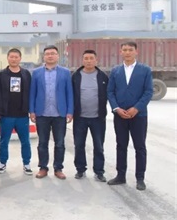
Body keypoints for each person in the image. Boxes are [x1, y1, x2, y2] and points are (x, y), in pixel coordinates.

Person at [106, 41, 153, 191]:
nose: (127, 52)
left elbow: (148, 92)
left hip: (139, 116)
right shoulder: (116, 71)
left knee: (140, 146)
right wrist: (116, 108)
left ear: (136, 52)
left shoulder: (145, 70)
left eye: (130, 50)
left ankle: (140, 178)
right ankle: (121, 176)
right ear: (120, 52)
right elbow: (110, 92)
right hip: (120, 115)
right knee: (121, 145)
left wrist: (137, 108)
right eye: (124, 50)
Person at [30, 45, 74, 180]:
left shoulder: (65, 72)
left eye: (53, 53)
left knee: (59, 143)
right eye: (47, 54)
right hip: (41, 113)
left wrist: (70, 111)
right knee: (42, 142)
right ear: (44, 56)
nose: (50, 56)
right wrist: (32, 110)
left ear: (58, 56)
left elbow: (69, 93)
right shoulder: (36, 73)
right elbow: (32, 93)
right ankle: (43, 167)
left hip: (59, 113)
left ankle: (58, 168)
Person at [72, 50, 109, 182]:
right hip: (80, 117)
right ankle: (80, 170)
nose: (88, 61)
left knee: (98, 146)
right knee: (79, 145)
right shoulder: (75, 76)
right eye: (86, 58)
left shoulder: (103, 76)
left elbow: (109, 94)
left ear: (96, 60)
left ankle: (99, 172)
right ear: (82, 60)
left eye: (91, 58)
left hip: (98, 118)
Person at [0, 48, 33, 175]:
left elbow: (30, 93)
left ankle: (26, 163)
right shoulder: (2, 75)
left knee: (25, 141)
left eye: (16, 57)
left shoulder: (26, 74)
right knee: (4, 141)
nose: (14, 59)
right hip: (6, 115)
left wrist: (31, 110)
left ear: (20, 58)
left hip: (22, 114)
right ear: (7, 58)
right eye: (11, 57)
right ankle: (2, 162)